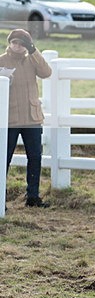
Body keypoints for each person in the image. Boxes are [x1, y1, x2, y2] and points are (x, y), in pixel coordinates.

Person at [1, 29, 52, 207]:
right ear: (9, 43)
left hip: (32, 118)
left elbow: (46, 72)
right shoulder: (1, 61)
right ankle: (1, 197)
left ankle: (33, 197)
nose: (17, 46)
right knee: (3, 158)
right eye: (14, 42)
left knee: (35, 157)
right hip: (9, 118)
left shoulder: (32, 59)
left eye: (21, 43)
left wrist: (33, 51)